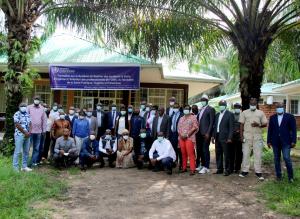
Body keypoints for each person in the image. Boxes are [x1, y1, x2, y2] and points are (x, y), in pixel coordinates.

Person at [267, 102, 297, 183]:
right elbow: (270, 130)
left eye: (280, 106)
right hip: (275, 142)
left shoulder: (290, 117)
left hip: (286, 142)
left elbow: (294, 130)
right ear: (276, 108)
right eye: (277, 107)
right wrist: (268, 141)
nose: (279, 108)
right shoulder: (272, 117)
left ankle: (290, 177)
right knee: (276, 159)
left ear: (283, 107)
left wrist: (294, 141)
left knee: (287, 158)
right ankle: (279, 176)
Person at [239, 98, 268, 180]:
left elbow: (265, 124)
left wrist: (258, 125)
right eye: (251, 104)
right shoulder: (244, 112)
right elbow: (241, 125)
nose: (253, 105)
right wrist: (241, 137)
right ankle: (245, 171)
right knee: (245, 154)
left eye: (254, 104)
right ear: (249, 104)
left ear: (256, 104)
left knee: (258, 155)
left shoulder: (260, 113)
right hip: (247, 137)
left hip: (257, 138)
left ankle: (258, 172)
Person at [212, 100, 234, 176]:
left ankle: (228, 169)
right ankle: (219, 169)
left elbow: (231, 127)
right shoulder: (217, 114)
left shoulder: (230, 114)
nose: (221, 106)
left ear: (225, 106)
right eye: (220, 104)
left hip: (226, 137)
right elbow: (215, 126)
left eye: (222, 104)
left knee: (227, 154)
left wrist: (230, 137)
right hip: (217, 136)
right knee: (218, 153)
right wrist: (213, 136)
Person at [196, 94, 215, 174]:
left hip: (206, 133)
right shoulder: (200, 109)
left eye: (204, 100)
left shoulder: (210, 109)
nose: (202, 101)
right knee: (200, 150)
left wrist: (208, 133)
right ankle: (203, 165)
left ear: (207, 101)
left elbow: (212, 122)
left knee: (205, 149)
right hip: (199, 133)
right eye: (201, 100)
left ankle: (206, 167)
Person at [178, 105, 199, 175]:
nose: (185, 110)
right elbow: (178, 128)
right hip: (181, 138)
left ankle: (192, 169)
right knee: (183, 153)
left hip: (189, 138)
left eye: (187, 109)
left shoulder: (193, 117)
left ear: (190, 110)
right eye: (184, 109)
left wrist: (187, 135)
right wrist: (181, 135)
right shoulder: (181, 118)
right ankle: (184, 168)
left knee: (190, 153)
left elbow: (195, 127)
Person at [27, 96, 47, 167]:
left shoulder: (42, 108)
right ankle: (25, 163)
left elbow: (44, 120)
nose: (36, 100)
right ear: (33, 100)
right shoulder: (29, 107)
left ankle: (33, 162)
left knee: (36, 148)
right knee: (28, 147)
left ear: (40, 101)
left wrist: (44, 130)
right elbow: (26, 118)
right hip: (30, 131)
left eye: (38, 99)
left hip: (39, 132)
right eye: (35, 99)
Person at [12, 103, 32, 172]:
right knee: (17, 152)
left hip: (28, 135)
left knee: (26, 151)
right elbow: (17, 124)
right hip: (19, 135)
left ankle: (24, 167)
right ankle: (15, 168)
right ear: (19, 107)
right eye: (22, 106)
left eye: (24, 106)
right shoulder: (17, 114)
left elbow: (30, 123)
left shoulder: (28, 114)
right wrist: (25, 132)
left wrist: (30, 132)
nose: (23, 107)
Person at [169, 103, 183, 170]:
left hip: (179, 134)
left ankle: (181, 163)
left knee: (180, 149)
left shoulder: (182, 115)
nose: (175, 108)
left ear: (179, 107)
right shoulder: (172, 115)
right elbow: (170, 124)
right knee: (174, 149)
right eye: (174, 107)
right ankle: (175, 162)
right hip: (173, 134)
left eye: (176, 107)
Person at [230, 103, 243, 173]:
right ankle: (231, 167)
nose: (236, 108)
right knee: (231, 153)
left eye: (238, 107)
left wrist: (239, 131)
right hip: (232, 136)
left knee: (239, 153)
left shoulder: (242, 115)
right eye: (235, 107)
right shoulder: (231, 115)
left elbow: (244, 125)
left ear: (240, 108)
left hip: (239, 136)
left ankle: (237, 168)